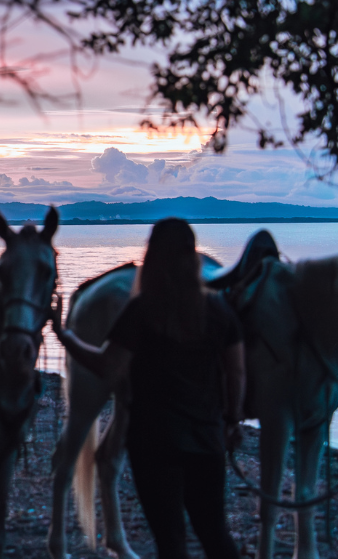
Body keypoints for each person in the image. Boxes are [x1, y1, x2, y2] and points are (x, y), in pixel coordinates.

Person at [52, 218, 245, 559]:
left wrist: (64, 335)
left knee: (170, 541)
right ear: (193, 256)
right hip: (206, 441)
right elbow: (236, 373)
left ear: (152, 256)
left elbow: (107, 366)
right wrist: (231, 420)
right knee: (215, 533)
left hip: (155, 445)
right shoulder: (218, 310)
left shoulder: (141, 311)